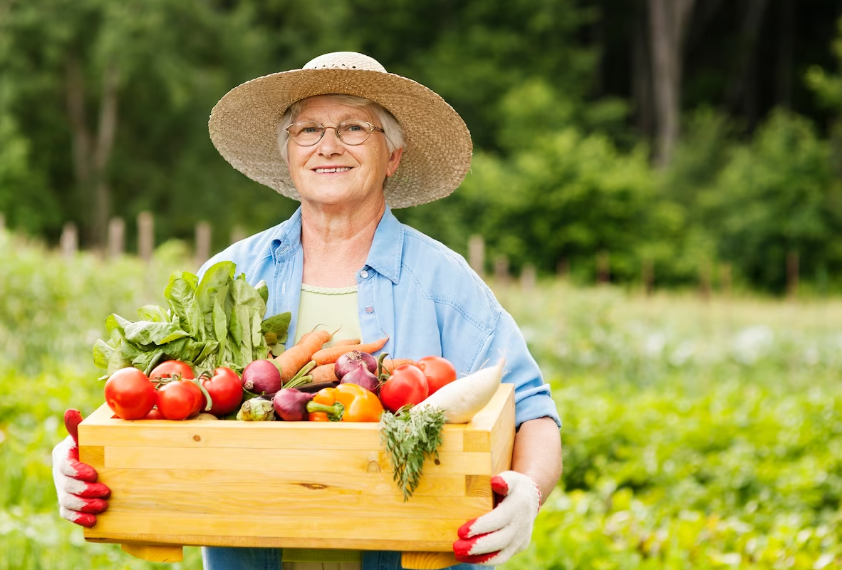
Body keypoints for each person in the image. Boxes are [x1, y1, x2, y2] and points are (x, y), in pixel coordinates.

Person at [52, 52, 562, 570]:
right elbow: (154, 394)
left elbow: (535, 414)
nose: (329, 146)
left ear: (393, 157)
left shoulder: (443, 280)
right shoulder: (232, 275)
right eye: (308, 130)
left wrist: (527, 492)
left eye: (354, 127)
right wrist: (77, 456)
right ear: (290, 156)